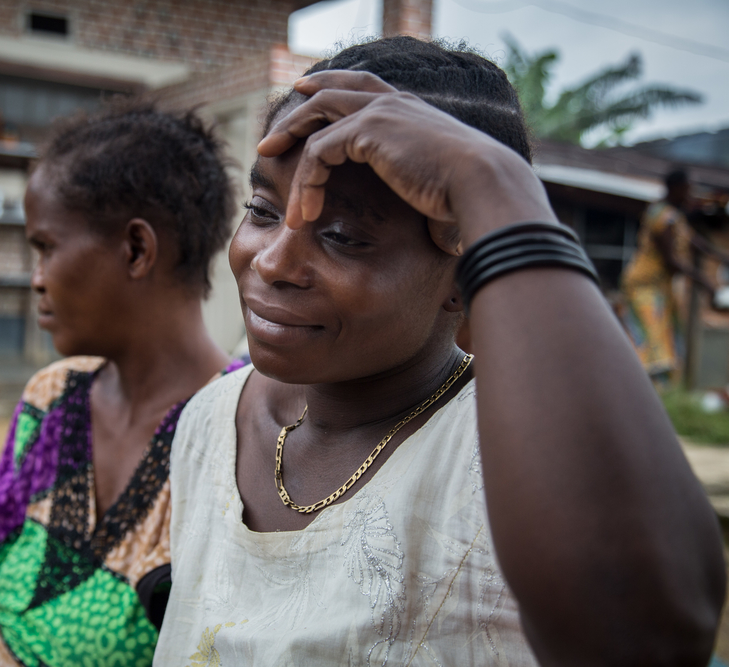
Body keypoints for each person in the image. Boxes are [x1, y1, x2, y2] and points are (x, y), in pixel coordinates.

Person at [154, 37, 725, 665]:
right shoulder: (211, 423)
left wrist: (495, 186)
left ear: (462, 270)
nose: (271, 262)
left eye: (342, 236)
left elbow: (649, 639)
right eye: (263, 211)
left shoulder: (508, 463)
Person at [0, 102, 238, 667]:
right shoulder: (52, 399)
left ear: (136, 250)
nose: (36, 279)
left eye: (46, 248)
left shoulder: (237, 430)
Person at [621, 169, 729, 381]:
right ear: (675, 188)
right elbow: (672, 261)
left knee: (668, 337)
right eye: (687, 189)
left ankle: (660, 388)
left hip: (661, 285)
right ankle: (644, 387)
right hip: (645, 284)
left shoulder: (674, 216)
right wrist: (708, 284)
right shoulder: (663, 217)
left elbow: (694, 241)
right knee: (652, 339)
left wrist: (721, 256)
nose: (690, 193)